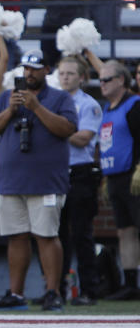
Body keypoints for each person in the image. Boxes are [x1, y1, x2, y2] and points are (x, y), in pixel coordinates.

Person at [0, 50, 77, 311]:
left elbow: (67, 129)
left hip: (46, 181)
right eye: (26, 68)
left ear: (47, 70)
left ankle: (52, 291)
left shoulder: (59, 98)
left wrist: (36, 107)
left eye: (35, 69)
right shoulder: (7, 97)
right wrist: (10, 109)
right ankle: (16, 294)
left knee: (47, 235)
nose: (29, 73)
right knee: (16, 237)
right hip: (12, 181)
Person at [55, 56, 103, 305]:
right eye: (62, 73)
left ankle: (89, 290)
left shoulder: (88, 104)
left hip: (80, 171)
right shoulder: (53, 102)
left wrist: (57, 126)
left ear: (82, 78)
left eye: (71, 73)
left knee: (81, 233)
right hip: (56, 171)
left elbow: (84, 138)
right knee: (55, 233)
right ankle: (56, 289)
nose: (65, 77)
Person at [96, 60, 140, 301]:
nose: (101, 84)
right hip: (115, 176)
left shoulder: (134, 106)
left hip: (134, 176)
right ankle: (131, 282)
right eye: (100, 80)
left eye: (106, 80)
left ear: (121, 80)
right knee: (125, 231)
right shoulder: (108, 108)